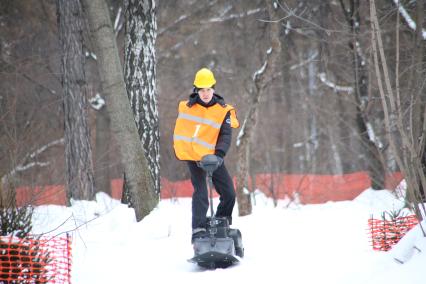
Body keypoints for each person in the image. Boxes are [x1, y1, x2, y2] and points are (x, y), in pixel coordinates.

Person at [173, 68, 240, 243]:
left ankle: (221, 222)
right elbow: (183, 133)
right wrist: (189, 153)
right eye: (202, 90)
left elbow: (226, 135)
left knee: (229, 193)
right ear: (196, 90)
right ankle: (198, 229)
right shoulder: (187, 108)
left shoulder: (223, 110)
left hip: (214, 158)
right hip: (194, 157)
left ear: (213, 88)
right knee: (201, 193)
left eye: (208, 89)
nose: (205, 93)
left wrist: (219, 155)